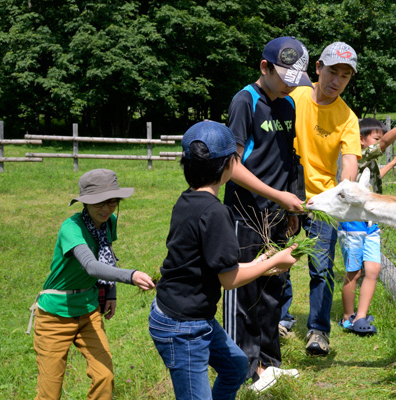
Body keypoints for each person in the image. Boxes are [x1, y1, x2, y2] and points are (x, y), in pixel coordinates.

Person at [149, 121, 299, 400]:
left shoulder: (187, 201)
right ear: (229, 165)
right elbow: (229, 280)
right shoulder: (217, 213)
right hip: (183, 326)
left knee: (235, 366)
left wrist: (259, 264)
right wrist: (272, 262)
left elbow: (213, 267)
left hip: (186, 313)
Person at [221, 36, 310, 392]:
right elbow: (231, 166)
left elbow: (289, 159)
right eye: (285, 75)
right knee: (245, 291)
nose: (290, 83)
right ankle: (244, 368)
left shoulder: (288, 105)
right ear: (264, 67)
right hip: (246, 211)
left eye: (295, 77)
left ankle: (270, 363)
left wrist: (293, 205)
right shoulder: (245, 101)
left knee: (274, 286)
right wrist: (278, 196)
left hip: (277, 214)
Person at [30, 168, 155, 400]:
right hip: (55, 316)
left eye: (112, 202)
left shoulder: (109, 222)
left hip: (88, 311)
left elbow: (107, 252)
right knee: (50, 392)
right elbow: (91, 265)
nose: (106, 209)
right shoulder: (71, 228)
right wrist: (131, 275)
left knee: (104, 377)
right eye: (99, 202)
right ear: (85, 202)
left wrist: (111, 292)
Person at [285, 41, 362, 356]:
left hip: (323, 202)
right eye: (333, 71)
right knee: (280, 260)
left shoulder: (347, 117)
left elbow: (350, 165)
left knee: (321, 267)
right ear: (318, 68)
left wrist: (342, 193)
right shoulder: (295, 97)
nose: (337, 81)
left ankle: (318, 330)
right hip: (285, 194)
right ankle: (280, 320)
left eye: (345, 76)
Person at [338, 109, 396, 335]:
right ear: (361, 141)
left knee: (373, 270)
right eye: (375, 138)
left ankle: (361, 316)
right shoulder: (357, 157)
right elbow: (385, 143)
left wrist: (394, 162)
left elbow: (377, 177)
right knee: (354, 272)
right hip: (354, 223)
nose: (379, 141)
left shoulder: (369, 162)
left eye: (378, 137)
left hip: (371, 223)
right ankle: (348, 317)